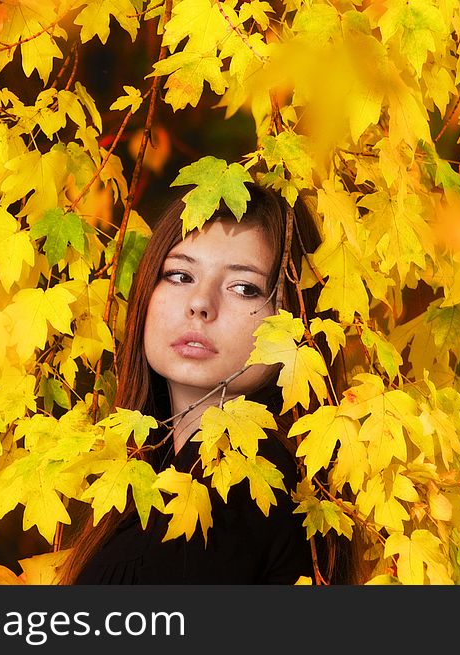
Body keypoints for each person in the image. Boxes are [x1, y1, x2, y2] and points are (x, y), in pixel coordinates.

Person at [58, 182, 357, 584]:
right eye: (180, 275)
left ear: (297, 326)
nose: (200, 303)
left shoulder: (246, 481)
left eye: (244, 287)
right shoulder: (154, 476)